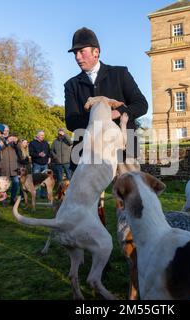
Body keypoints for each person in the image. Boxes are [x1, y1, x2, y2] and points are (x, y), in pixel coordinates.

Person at [65, 27, 149, 226]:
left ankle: (139, 238)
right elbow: (71, 121)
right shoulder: (72, 85)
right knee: (89, 202)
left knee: (133, 194)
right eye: (74, 53)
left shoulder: (119, 73)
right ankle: (92, 238)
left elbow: (141, 104)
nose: (77, 57)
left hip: (123, 147)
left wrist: (116, 113)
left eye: (81, 51)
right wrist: (98, 119)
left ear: (96, 52)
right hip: (89, 150)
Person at [0, 126, 20, 206]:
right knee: (4, 184)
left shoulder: (13, 139)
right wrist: (7, 142)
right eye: (5, 130)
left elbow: (19, 148)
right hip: (4, 165)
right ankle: (3, 199)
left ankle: (13, 198)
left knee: (16, 182)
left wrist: (16, 141)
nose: (6, 132)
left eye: (7, 130)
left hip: (13, 165)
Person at [29, 130, 51, 198]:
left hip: (45, 163)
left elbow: (49, 151)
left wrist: (49, 158)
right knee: (36, 180)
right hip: (37, 164)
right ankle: (36, 194)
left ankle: (43, 194)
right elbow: (31, 153)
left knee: (45, 179)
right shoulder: (32, 143)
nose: (43, 136)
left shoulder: (46, 143)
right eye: (41, 135)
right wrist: (38, 155)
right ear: (37, 135)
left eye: (43, 135)